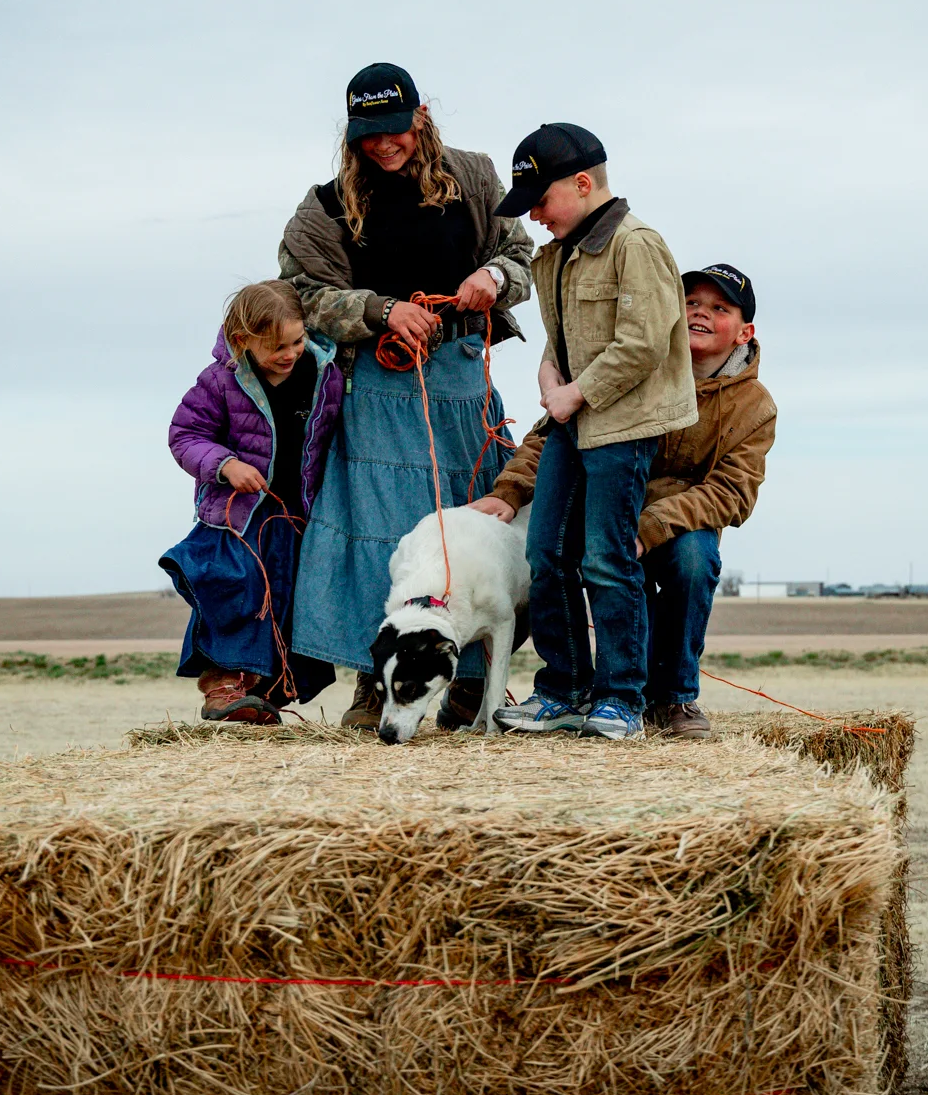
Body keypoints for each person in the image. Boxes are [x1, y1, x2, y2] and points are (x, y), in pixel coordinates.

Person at [278, 64, 535, 731]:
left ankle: (472, 685)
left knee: (480, 538)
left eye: (394, 130)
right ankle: (376, 683)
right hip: (378, 389)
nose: (385, 146)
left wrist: (492, 275)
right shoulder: (327, 205)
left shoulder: (476, 177)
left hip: (462, 384)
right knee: (378, 541)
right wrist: (382, 310)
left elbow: (521, 253)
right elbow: (300, 292)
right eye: (369, 136)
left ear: (419, 116)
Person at [473, 263, 776, 738]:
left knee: (694, 562)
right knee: (547, 547)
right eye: (691, 303)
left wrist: (650, 526)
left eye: (719, 309)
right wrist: (508, 492)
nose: (700, 314)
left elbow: (732, 492)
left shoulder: (755, 405)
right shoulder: (635, 363)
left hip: (674, 526)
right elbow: (556, 435)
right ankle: (560, 689)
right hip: (604, 506)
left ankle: (674, 699)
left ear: (744, 332)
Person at [483, 123, 697, 741]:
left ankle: (621, 699)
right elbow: (563, 336)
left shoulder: (638, 244)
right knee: (545, 552)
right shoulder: (556, 254)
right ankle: (563, 689)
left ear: (583, 183)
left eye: (540, 202)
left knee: (606, 558)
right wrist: (549, 372)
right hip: (572, 423)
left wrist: (572, 393)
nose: (536, 217)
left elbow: (644, 343)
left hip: (622, 427)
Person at [160, 280, 344, 723]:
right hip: (236, 517)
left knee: (289, 602)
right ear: (242, 342)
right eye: (276, 347)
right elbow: (184, 435)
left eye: (297, 341)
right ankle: (223, 688)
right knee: (234, 590)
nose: (289, 353)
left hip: (297, 514)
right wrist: (225, 465)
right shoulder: (220, 381)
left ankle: (264, 695)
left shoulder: (326, 375)